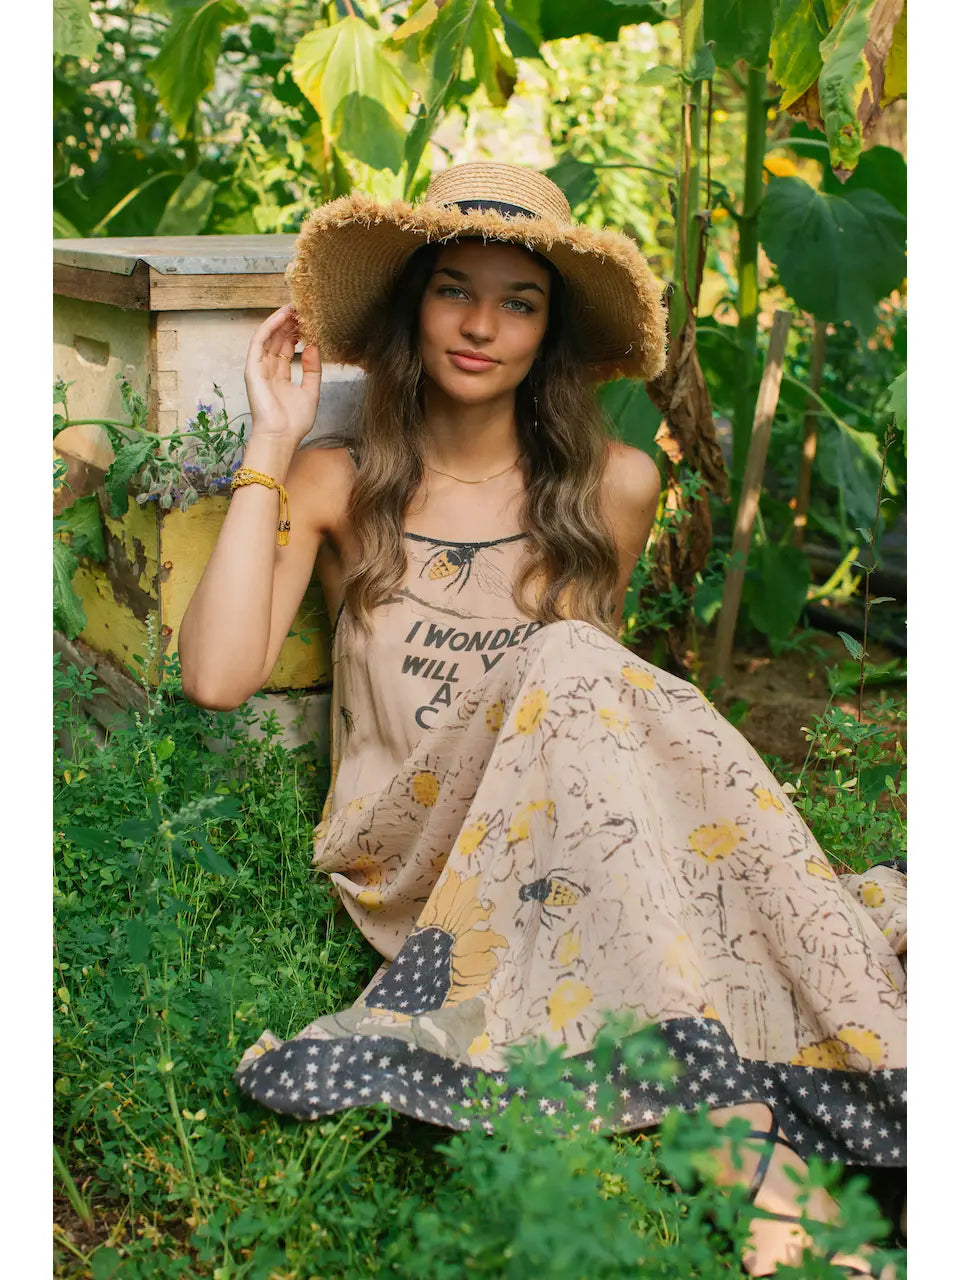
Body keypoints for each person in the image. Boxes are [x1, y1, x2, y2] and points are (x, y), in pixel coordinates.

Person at [178, 163, 905, 1277]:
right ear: (410, 306)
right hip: (416, 856)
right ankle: (755, 1152)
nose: (480, 325)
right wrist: (269, 443)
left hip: (566, 862)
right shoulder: (338, 478)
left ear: (550, 331)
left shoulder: (614, 486)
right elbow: (219, 675)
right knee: (569, 654)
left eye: (518, 301)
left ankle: (767, 1145)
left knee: (579, 667)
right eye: (453, 290)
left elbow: (594, 757)